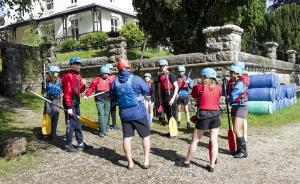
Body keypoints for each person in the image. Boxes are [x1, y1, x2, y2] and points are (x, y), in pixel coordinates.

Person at [110, 58, 151, 170]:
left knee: (127, 138)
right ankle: (146, 161)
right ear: (127, 67)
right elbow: (147, 89)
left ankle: (130, 163)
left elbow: (113, 97)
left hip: (124, 114)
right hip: (139, 113)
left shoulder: (114, 82)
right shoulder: (136, 79)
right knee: (145, 136)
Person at [182, 68, 222, 172]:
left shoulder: (199, 87)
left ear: (204, 77)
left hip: (204, 116)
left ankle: (187, 161)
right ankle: (212, 165)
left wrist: (190, 85)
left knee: (195, 141)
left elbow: (194, 95)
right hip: (215, 116)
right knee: (214, 140)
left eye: (202, 76)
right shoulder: (219, 88)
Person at [61, 57, 93, 152]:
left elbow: (80, 90)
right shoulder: (68, 76)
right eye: (76, 64)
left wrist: (84, 85)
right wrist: (69, 106)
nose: (79, 65)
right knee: (71, 124)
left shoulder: (78, 75)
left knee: (78, 122)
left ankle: (80, 143)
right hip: (69, 101)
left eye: (79, 64)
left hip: (76, 100)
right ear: (72, 65)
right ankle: (68, 145)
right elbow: (67, 92)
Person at [226, 65, 248, 158]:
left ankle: (243, 152)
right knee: (236, 130)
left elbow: (233, 95)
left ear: (237, 74)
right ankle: (239, 150)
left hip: (241, 107)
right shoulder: (232, 82)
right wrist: (225, 85)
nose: (230, 74)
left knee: (236, 129)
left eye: (232, 72)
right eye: (230, 72)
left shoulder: (240, 83)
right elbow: (226, 92)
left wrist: (228, 99)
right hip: (234, 106)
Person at [84, 66, 112, 137]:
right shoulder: (97, 79)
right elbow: (91, 87)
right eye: (104, 73)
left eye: (107, 73)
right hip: (99, 99)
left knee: (106, 114)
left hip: (108, 99)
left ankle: (104, 129)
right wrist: (87, 94)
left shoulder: (109, 79)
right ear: (101, 73)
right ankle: (101, 131)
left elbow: (113, 87)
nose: (106, 75)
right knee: (101, 115)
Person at [157, 59, 179, 139]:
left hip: (171, 97)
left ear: (167, 66)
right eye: (161, 66)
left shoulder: (171, 75)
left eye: (164, 66)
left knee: (173, 115)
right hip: (164, 97)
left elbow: (176, 87)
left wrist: (173, 98)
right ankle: (171, 131)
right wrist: (160, 99)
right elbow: (159, 89)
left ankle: (174, 133)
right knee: (168, 115)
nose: (162, 67)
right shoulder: (160, 76)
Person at [43, 65, 62, 141]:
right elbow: (43, 91)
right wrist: (43, 93)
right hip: (48, 99)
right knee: (47, 116)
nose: (57, 74)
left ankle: (53, 135)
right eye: (55, 72)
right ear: (51, 73)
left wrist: (62, 95)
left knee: (55, 117)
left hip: (56, 100)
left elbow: (62, 89)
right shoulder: (46, 81)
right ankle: (46, 134)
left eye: (58, 72)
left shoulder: (60, 80)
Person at [233, 61, 249, 142]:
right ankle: (239, 135)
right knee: (237, 122)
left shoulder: (244, 78)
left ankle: (244, 134)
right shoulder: (236, 77)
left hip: (241, 102)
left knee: (243, 120)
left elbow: (240, 88)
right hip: (235, 102)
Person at [105, 63, 119, 130]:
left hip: (113, 96)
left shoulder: (114, 77)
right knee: (107, 110)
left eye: (111, 69)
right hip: (107, 96)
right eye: (109, 69)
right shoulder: (104, 76)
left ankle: (114, 124)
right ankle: (107, 124)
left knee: (113, 110)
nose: (110, 70)